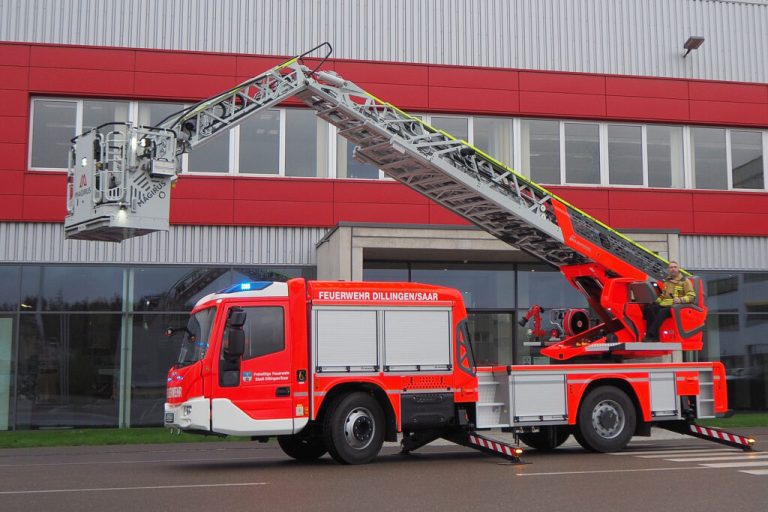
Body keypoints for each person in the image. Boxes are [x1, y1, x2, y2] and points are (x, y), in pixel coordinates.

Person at [643, 261, 696, 342]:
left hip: (677, 307)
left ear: (678, 269)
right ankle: (654, 336)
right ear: (668, 269)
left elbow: (692, 296)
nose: (673, 269)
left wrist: (680, 300)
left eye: (675, 267)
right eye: (671, 267)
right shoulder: (667, 281)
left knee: (661, 312)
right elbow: (663, 295)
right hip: (665, 304)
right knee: (649, 309)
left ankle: (651, 335)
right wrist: (656, 302)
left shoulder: (685, 281)